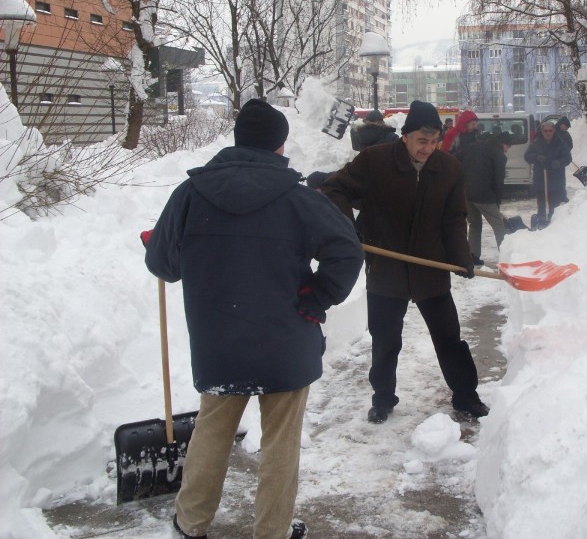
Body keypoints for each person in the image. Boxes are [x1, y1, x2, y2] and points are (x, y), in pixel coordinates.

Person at [144, 99, 364, 539]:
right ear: (281, 146)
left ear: (238, 140)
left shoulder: (190, 194)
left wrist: (167, 244)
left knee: (212, 433)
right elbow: (348, 250)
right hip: (285, 343)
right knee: (280, 441)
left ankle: (190, 524)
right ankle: (272, 531)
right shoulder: (300, 198)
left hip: (219, 345)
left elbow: (164, 266)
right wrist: (316, 298)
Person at [321, 100, 490, 424]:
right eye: (421, 141)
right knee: (385, 341)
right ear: (405, 137)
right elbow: (334, 188)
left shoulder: (449, 168)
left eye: (434, 141)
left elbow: (454, 218)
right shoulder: (375, 161)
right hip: (387, 270)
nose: (428, 148)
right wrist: (347, 230)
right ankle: (382, 399)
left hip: (431, 270)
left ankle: (466, 396)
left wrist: (461, 257)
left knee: (449, 338)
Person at [457, 132, 512, 266]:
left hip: (466, 193)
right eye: (508, 147)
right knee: (498, 225)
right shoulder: (499, 155)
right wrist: (497, 200)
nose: (507, 150)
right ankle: (508, 259)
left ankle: (473, 257)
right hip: (484, 195)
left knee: (474, 225)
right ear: (503, 144)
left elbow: (455, 158)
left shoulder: (473, 146)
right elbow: (499, 182)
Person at [524, 120, 571, 226]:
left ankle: (553, 228)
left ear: (554, 130)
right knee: (541, 208)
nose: (548, 133)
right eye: (545, 131)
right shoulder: (536, 142)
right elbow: (527, 156)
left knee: (554, 208)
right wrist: (536, 157)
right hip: (541, 181)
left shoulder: (560, 143)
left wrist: (559, 163)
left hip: (555, 182)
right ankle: (541, 226)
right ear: (542, 130)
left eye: (550, 130)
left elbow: (568, 158)